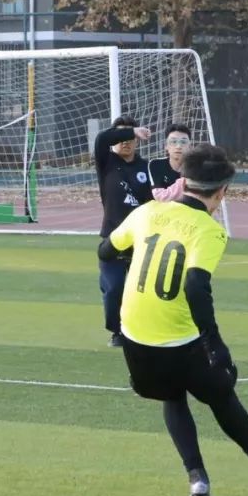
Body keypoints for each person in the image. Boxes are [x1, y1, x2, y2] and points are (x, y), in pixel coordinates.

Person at [98, 144, 248, 496]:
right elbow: (196, 285)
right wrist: (215, 345)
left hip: (133, 333)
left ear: (183, 181)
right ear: (222, 192)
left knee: (171, 394)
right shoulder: (210, 231)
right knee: (220, 392)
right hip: (177, 336)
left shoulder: (148, 210)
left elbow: (105, 250)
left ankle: (197, 479)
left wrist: (138, 249)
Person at [94, 115, 153, 347]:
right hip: (113, 237)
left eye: (130, 137)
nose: (126, 142)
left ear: (138, 141)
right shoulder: (106, 162)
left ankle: (144, 331)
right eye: (121, 137)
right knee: (114, 288)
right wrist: (131, 131)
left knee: (145, 290)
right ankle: (117, 331)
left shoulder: (147, 167)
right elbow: (101, 139)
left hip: (143, 239)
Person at [147, 123, 191, 202]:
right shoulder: (156, 164)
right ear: (166, 146)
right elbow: (160, 196)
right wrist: (185, 182)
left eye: (183, 142)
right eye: (173, 141)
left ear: (190, 146)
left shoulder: (197, 167)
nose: (178, 146)